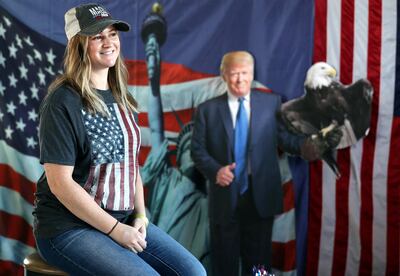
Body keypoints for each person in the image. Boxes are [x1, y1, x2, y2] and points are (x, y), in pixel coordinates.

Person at [32, 3, 206, 276]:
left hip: (122, 218)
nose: (109, 42)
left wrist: (140, 216)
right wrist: (115, 230)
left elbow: (131, 165)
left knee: (194, 272)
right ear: (79, 45)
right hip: (68, 227)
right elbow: (60, 184)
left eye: (113, 34)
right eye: (97, 36)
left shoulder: (121, 98)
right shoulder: (63, 100)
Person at [191, 51, 307, 275]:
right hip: (225, 197)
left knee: (259, 262)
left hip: (260, 195)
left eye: (245, 73)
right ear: (224, 75)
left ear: (252, 74)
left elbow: (285, 139)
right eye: (234, 74)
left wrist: (306, 147)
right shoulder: (207, 110)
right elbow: (197, 150)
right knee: (224, 262)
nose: (240, 79)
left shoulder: (271, 103)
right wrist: (215, 171)